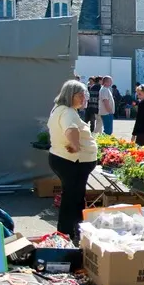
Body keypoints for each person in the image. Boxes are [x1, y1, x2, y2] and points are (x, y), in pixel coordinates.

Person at [47, 80, 98, 241]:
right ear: (70, 95)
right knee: (72, 198)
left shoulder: (60, 110)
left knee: (73, 197)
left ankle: (71, 231)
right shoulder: (68, 112)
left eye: (85, 94)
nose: (84, 98)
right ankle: (67, 233)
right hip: (72, 162)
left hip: (67, 160)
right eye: (80, 95)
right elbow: (71, 129)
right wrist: (75, 145)